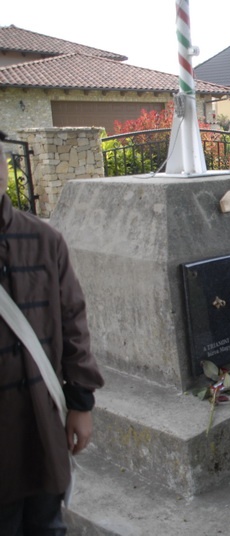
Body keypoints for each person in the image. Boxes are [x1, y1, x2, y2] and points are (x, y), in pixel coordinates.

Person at [0, 130, 105, 534]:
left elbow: (72, 322)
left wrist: (81, 403)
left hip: (42, 424)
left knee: (47, 524)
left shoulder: (44, 240)